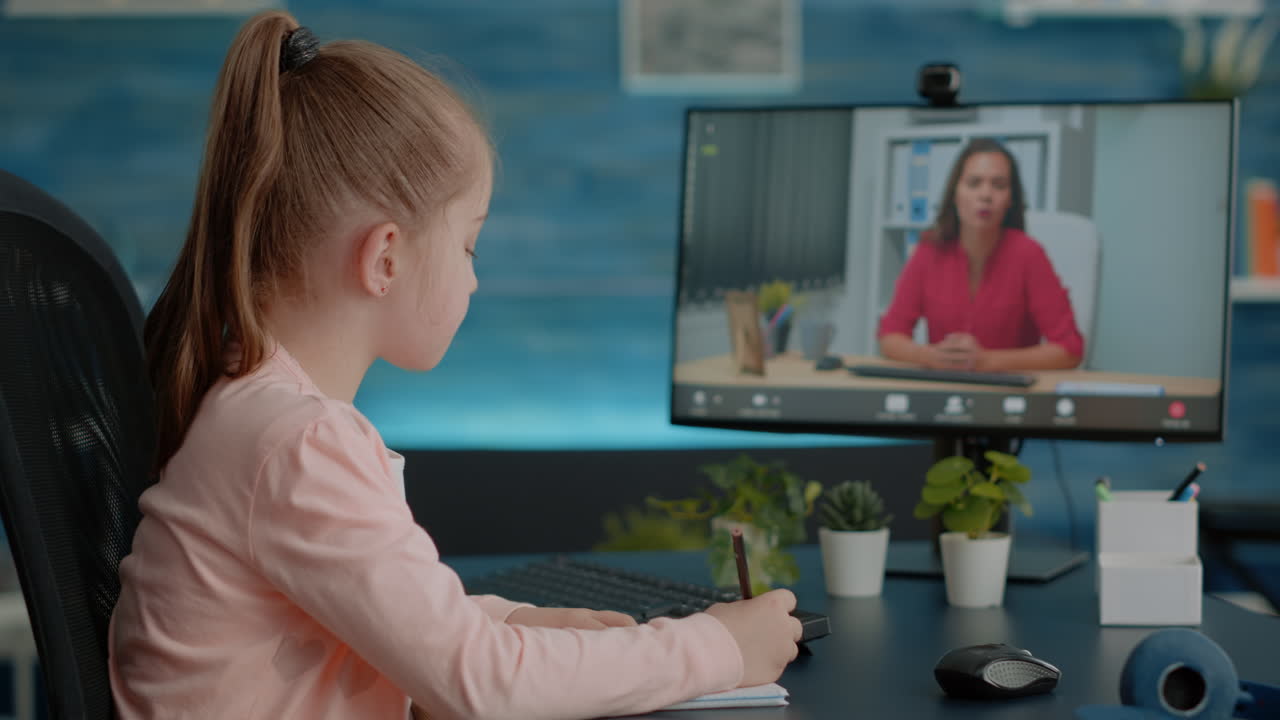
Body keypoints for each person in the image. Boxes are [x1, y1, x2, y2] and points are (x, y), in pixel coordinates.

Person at [107, 11, 802, 720]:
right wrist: (717, 646)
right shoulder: (299, 443)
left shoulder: (252, 408)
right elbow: (483, 687)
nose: (474, 280)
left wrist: (502, 621)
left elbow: (347, 619)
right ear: (384, 259)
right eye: (469, 247)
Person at [877, 137, 1085, 372]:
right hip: (945, 389)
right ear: (955, 194)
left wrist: (987, 361)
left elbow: (1069, 349)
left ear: (1010, 199)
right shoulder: (929, 251)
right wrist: (930, 356)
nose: (986, 195)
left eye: (999, 185)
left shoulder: (1029, 255)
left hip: (1009, 395)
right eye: (974, 183)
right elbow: (890, 335)